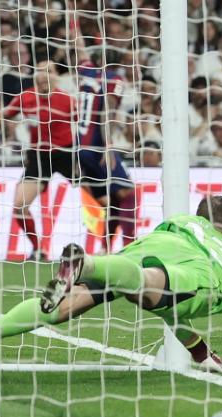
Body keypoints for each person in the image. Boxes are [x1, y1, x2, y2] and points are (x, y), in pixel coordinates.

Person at [0, 196, 222, 383]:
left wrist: (198, 350)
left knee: (64, 307)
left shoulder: (182, 221)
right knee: (150, 284)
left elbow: (167, 308)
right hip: (197, 271)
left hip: (145, 249)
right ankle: (86, 263)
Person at [0, 61, 77, 261]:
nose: (44, 75)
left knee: (100, 199)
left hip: (67, 154)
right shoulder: (26, 97)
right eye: (40, 71)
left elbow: (86, 125)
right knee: (20, 206)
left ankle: (108, 244)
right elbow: (4, 114)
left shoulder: (68, 100)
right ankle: (38, 250)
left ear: (56, 76)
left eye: (49, 71)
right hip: (39, 156)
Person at [72, 21, 137, 252]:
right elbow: (105, 113)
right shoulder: (114, 80)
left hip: (78, 149)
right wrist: (108, 144)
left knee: (115, 198)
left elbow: (78, 44)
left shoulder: (85, 70)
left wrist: (73, 16)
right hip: (97, 148)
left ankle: (105, 248)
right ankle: (130, 247)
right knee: (129, 193)